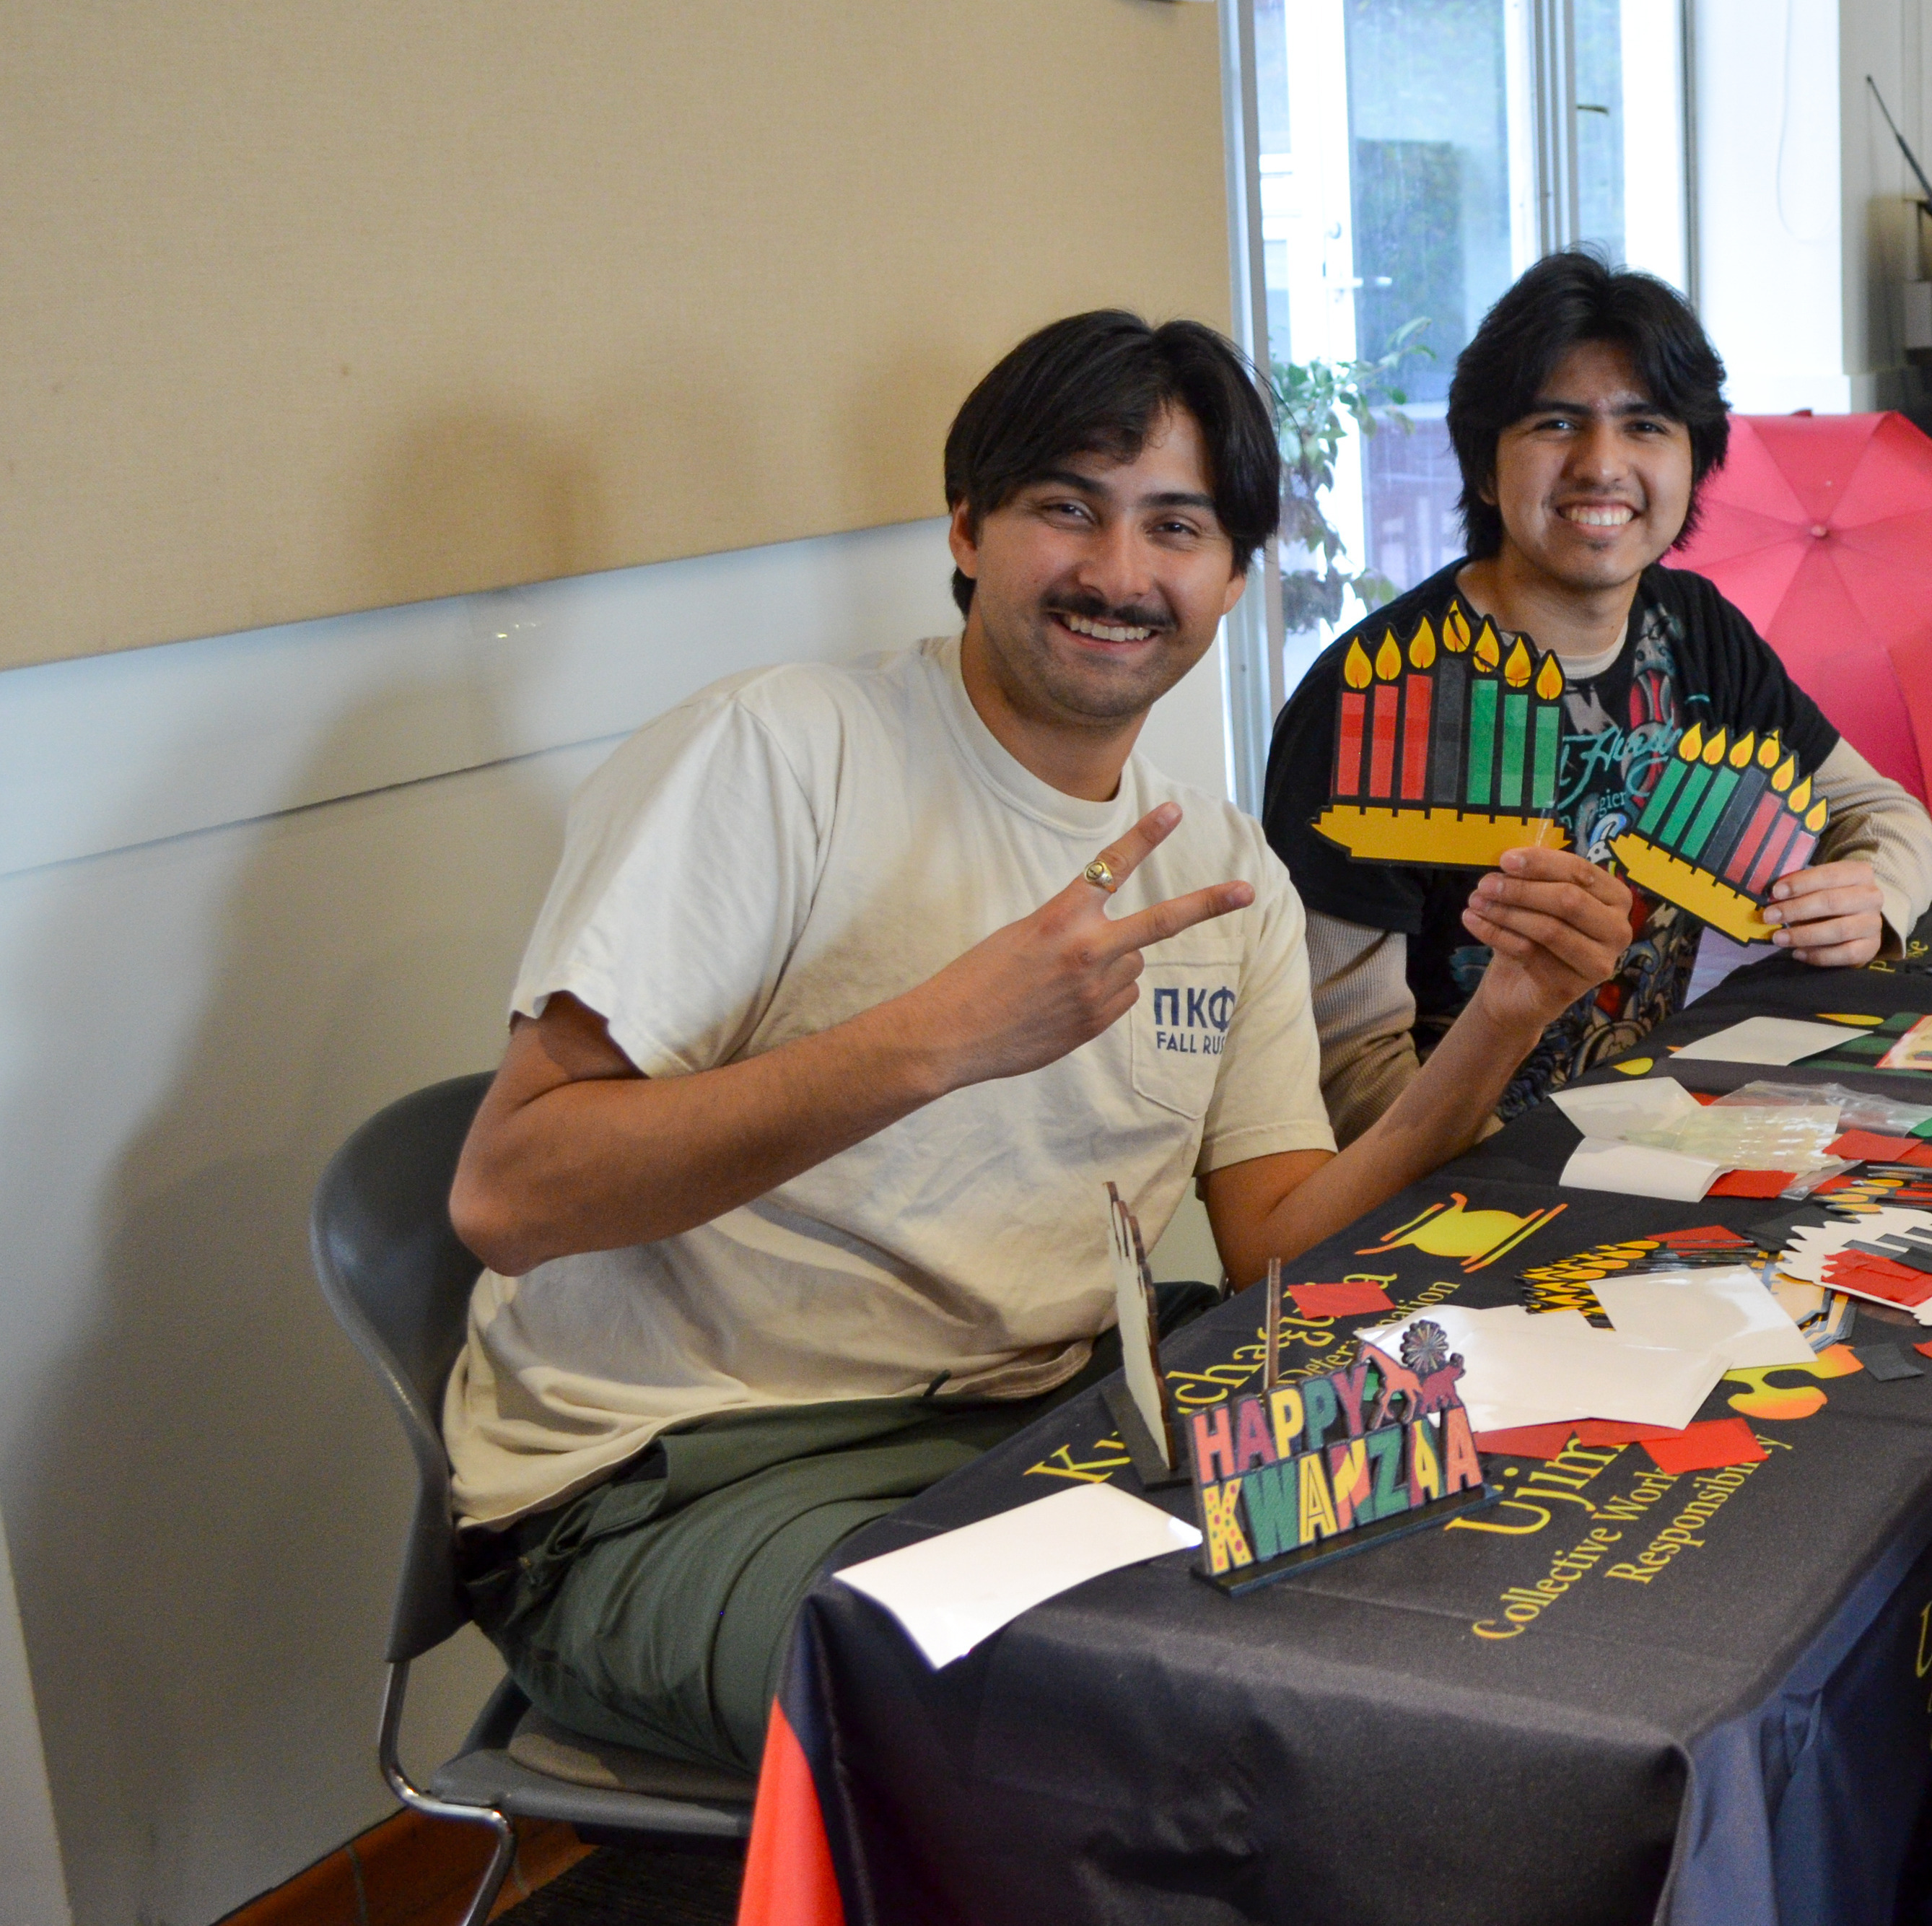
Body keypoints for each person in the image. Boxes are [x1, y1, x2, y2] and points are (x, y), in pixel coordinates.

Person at [438, 312, 1633, 1774]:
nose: (1118, 573)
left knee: (1445, 1526)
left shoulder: (1223, 869)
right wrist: (934, 1038)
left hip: (1050, 1426)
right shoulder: (780, 752)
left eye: (1174, 527)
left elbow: (1276, 1238)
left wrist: (1500, 1025)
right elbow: (507, 1194)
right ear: (966, 528)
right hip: (680, 1478)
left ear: (1231, 576)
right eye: (1066, 507)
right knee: (1115, 1706)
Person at [1264, 250, 1932, 1139]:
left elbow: (1887, 816)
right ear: (1483, 466)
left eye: (1645, 426)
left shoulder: (1695, 628)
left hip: (1663, 1134)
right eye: (1555, 424)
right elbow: (1350, 1072)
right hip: (1463, 1186)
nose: (1602, 464)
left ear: (1695, 464)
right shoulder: (1374, 699)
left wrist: (1872, 899)